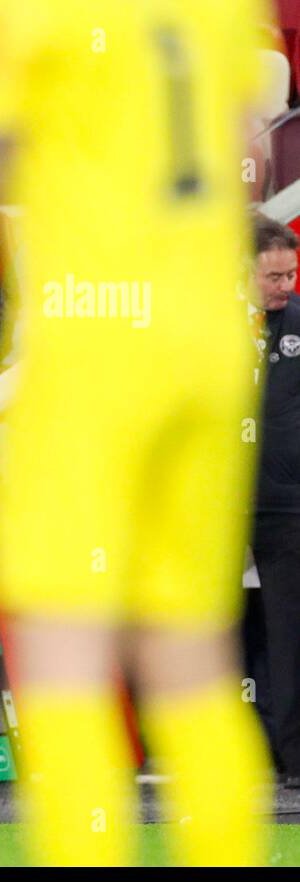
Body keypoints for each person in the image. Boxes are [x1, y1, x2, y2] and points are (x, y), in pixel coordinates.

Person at [0, 0, 273, 865]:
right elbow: (252, 153)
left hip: (94, 348)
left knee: (63, 655)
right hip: (207, 345)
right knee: (190, 657)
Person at [245, 214, 300, 787]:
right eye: (273, 277)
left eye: (290, 275)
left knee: (289, 636)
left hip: (286, 506)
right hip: (211, 503)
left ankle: (295, 759)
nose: (285, 285)